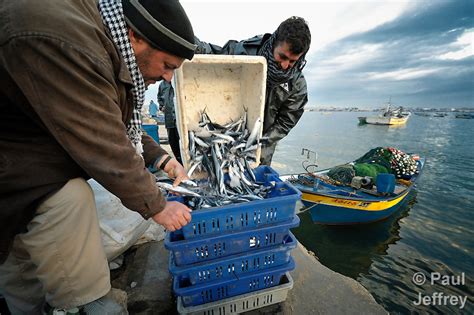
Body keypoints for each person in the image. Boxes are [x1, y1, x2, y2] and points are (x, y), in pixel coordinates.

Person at [0, 0, 197, 313]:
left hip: (25, 157)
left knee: (23, 270)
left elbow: (110, 120)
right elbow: (102, 138)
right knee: (69, 199)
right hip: (18, 168)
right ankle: (87, 305)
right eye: (168, 66)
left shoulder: (103, 40)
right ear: (136, 37)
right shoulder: (71, 42)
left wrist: (161, 159)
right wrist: (157, 206)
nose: (169, 78)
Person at [195, 17, 311, 165]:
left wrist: (259, 142)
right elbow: (214, 53)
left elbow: (285, 122)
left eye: (293, 61)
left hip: (262, 149)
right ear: (274, 42)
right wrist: (186, 42)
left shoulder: (297, 85)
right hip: (226, 135)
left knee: (256, 180)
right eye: (282, 57)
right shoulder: (245, 52)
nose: (284, 65)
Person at [157, 81, 182, 164]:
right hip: (169, 119)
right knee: (172, 141)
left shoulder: (178, 80)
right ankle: (179, 162)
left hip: (181, 119)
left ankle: (185, 162)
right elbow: (159, 97)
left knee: (183, 141)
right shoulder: (162, 85)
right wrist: (161, 106)